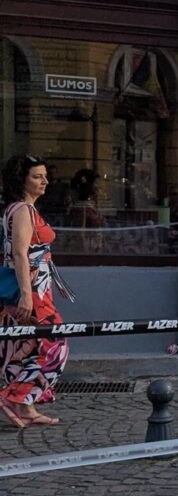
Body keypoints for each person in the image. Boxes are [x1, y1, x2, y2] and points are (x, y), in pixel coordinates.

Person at [0, 154, 71, 429]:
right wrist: (27, 295)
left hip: (33, 288)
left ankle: (26, 406)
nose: (45, 181)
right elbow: (19, 253)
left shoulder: (16, 209)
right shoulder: (22, 211)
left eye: (44, 176)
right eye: (37, 176)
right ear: (22, 180)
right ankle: (13, 395)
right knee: (55, 345)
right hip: (32, 291)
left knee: (29, 347)